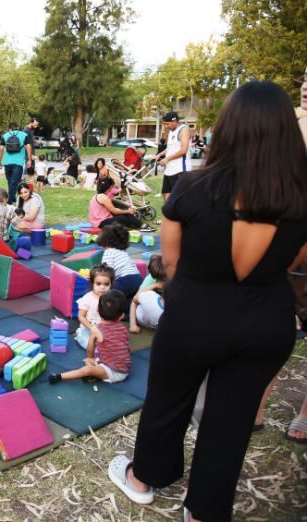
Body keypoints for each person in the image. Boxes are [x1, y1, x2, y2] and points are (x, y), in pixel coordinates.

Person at [108, 81, 307, 522]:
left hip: (195, 315)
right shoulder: (299, 196)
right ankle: (204, 510)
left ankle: (144, 478)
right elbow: (295, 260)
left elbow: (172, 264)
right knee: (231, 423)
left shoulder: (192, 188)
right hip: (267, 320)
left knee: (168, 399)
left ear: (229, 128)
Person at [49, 289, 130, 384]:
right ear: (121, 316)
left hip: (115, 372)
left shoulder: (96, 329)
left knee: (87, 369)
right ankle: (95, 374)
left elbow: (90, 349)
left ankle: (59, 377)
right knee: (92, 363)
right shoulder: (123, 328)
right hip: (122, 366)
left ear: (97, 311)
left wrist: (90, 358)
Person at [97, 224, 142, 305]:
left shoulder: (108, 252)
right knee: (127, 298)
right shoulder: (123, 252)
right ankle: (129, 309)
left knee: (107, 294)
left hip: (125, 280)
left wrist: (96, 277)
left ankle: (114, 312)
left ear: (105, 242)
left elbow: (107, 271)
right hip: (138, 278)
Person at [74, 263, 115, 350]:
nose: (102, 287)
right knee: (89, 345)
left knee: (115, 344)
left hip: (104, 329)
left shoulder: (111, 298)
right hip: (88, 328)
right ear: (92, 283)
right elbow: (81, 316)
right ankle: (79, 334)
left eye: (106, 284)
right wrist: (91, 328)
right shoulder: (88, 298)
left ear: (111, 284)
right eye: (98, 284)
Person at [153, 111, 191, 201]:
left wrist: (167, 159)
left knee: (178, 198)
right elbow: (170, 148)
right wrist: (159, 155)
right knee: (166, 193)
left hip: (180, 170)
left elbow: (183, 150)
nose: (166, 126)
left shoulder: (184, 130)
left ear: (174, 121)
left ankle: (178, 214)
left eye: (167, 124)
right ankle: (169, 214)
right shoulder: (171, 132)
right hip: (169, 170)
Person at [0, 122, 32, 204]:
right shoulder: (23, 135)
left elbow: (1, 148)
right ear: (18, 127)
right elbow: (28, 146)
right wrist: (29, 159)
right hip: (18, 162)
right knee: (14, 182)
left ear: (9, 128)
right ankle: (10, 201)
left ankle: (11, 198)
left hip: (7, 162)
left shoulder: (5, 135)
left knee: (10, 181)